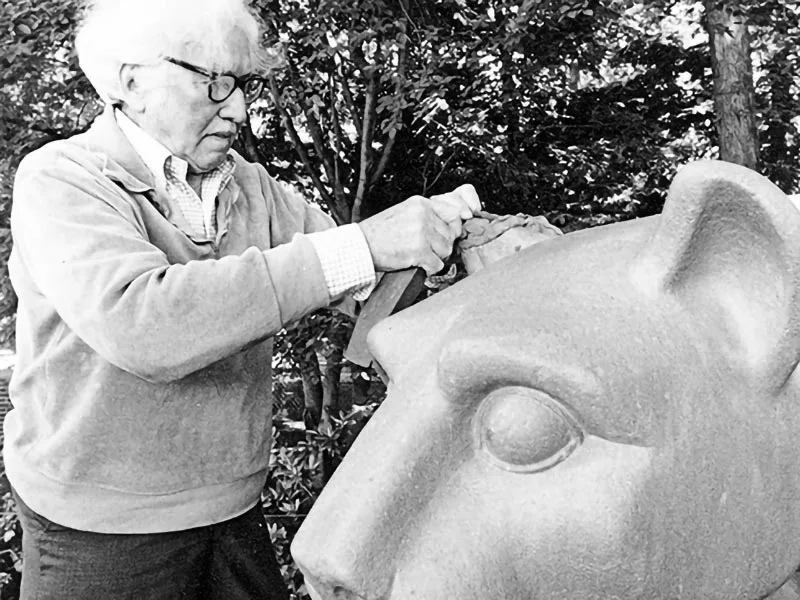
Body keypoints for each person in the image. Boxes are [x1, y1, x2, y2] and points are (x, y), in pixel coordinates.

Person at [2, 0, 481, 598]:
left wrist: (450, 249)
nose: (239, 109)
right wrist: (363, 244)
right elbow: (145, 325)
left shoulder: (248, 186)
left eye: (243, 84)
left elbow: (366, 290)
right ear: (134, 82)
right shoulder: (63, 179)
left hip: (233, 508)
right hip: (99, 527)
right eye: (217, 84)